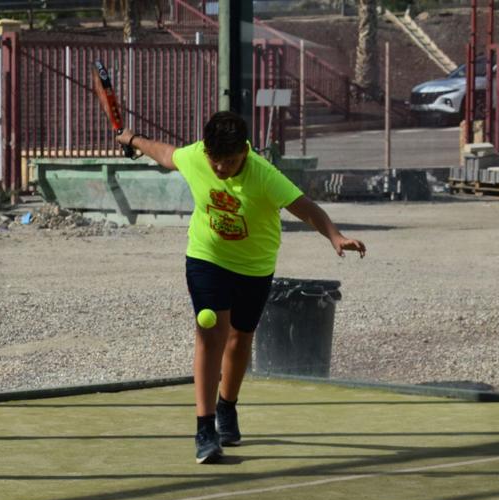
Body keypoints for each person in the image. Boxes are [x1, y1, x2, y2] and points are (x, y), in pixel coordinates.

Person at [115, 111, 366, 464]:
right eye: (215, 162)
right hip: (206, 258)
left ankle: (227, 406)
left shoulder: (264, 175)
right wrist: (134, 140)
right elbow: (166, 154)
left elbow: (304, 207)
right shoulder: (197, 156)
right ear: (207, 152)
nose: (220, 169)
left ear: (245, 152)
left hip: (254, 266)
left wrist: (335, 236)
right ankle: (204, 428)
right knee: (210, 331)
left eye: (229, 162)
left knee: (241, 337)